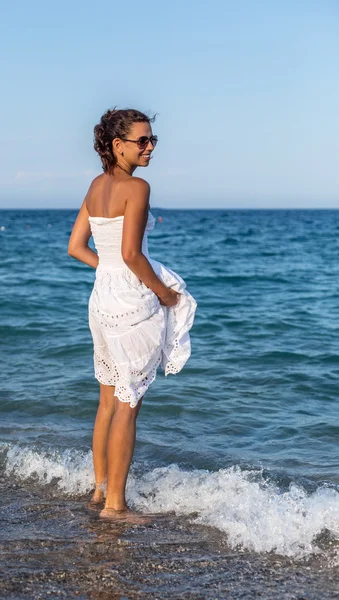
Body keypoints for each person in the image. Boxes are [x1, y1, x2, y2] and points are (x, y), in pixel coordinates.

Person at [68, 107, 197, 521]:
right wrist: (164, 294)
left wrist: (108, 271)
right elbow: (130, 254)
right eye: (142, 141)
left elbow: (77, 248)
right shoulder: (137, 188)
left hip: (102, 298)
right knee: (129, 403)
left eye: (152, 139)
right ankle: (115, 507)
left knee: (108, 399)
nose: (150, 147)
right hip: (129, 302)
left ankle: (99, 490)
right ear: (116, 145)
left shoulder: (94, 186)